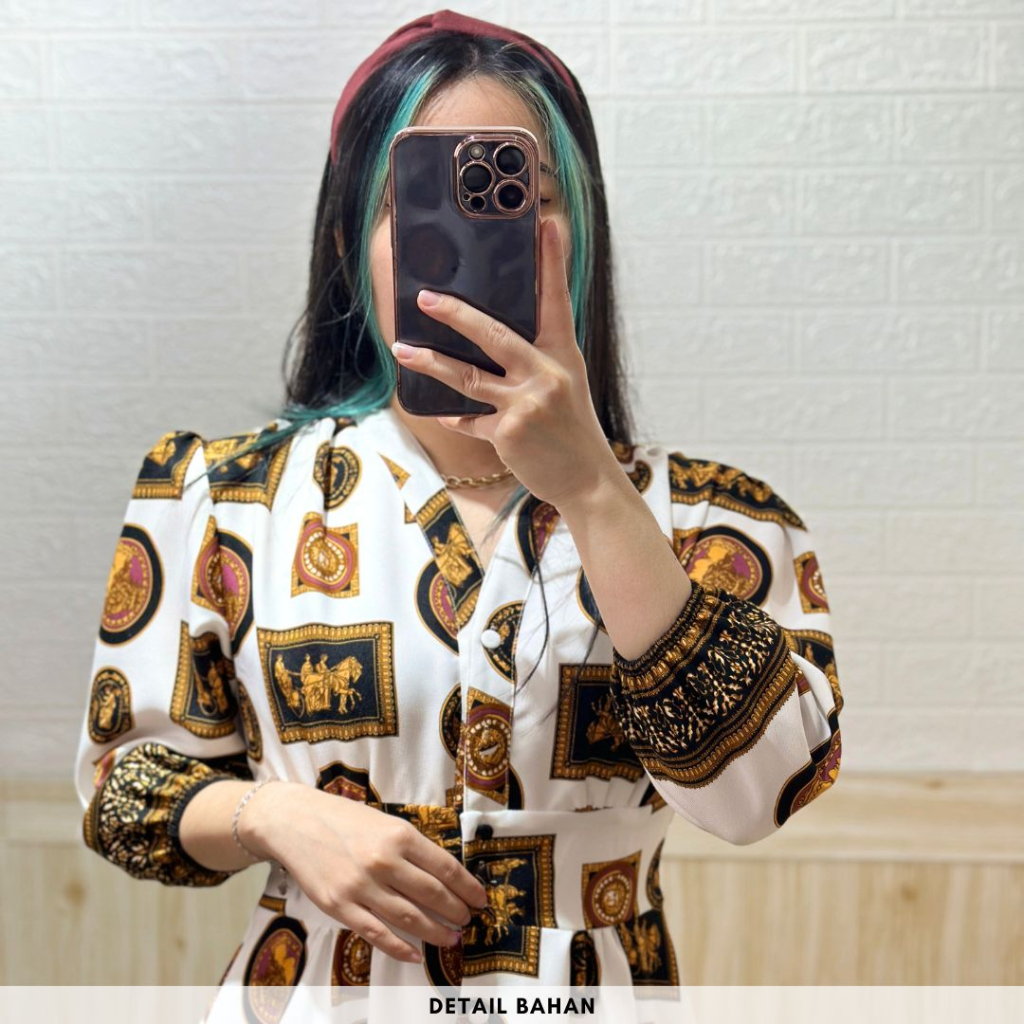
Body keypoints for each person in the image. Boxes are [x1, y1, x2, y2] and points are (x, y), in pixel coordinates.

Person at [73, 8, 844, 1020]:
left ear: (577, 230)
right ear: (352, 242)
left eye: (517, 199)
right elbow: (123, 793)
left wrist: (592, 490)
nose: (463, 246)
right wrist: (276, 817)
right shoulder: (226, 500)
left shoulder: (711, 521)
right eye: (415, 206)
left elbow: (762, 791)